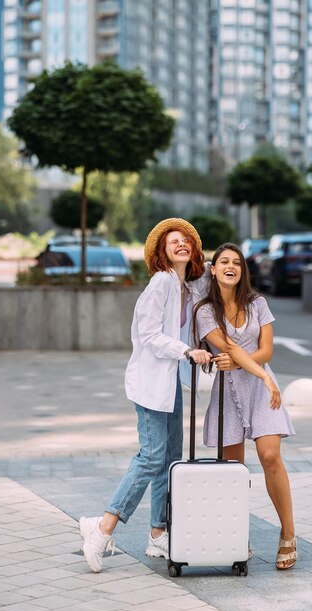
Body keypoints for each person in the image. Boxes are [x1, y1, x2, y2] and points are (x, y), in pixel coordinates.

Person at [79, 218, 213, 573]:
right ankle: (102, 526)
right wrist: (187, 351)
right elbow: (150, 334)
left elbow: (210, 283)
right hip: (152, 384)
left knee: (169, 459)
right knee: (152, 458)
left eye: (186, 240)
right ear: (162, 251)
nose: (181, 244)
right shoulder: (161, 283)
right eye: (173, 241)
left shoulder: (186, 286)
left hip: (169, 385)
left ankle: (157, 533)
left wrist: (222, 264)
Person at [193, 242, 297, 570]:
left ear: (242, 271)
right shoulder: (205, 311)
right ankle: (237, 536)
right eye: (224, 261)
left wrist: (262, 377)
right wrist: (249, 369)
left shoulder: (258, 303)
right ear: (213, 269)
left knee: (269, 456)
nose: (231, 266)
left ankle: (288, 533)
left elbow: (265, 352)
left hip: (262, 387)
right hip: (228, 393)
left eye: (237, 262)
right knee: (234, 471)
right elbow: (226, 348)